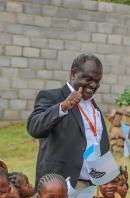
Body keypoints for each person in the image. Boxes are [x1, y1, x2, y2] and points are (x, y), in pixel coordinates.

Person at [27, 53, 109, 190]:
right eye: (88, 79)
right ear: (73, 74)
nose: (93, 85)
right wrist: (63, 106)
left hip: (92, 187)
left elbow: (99, 143)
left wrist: (107, 177)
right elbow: (34, 127)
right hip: (61, 187)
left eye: (97, 81)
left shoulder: (94, 107)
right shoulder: (52, 96)